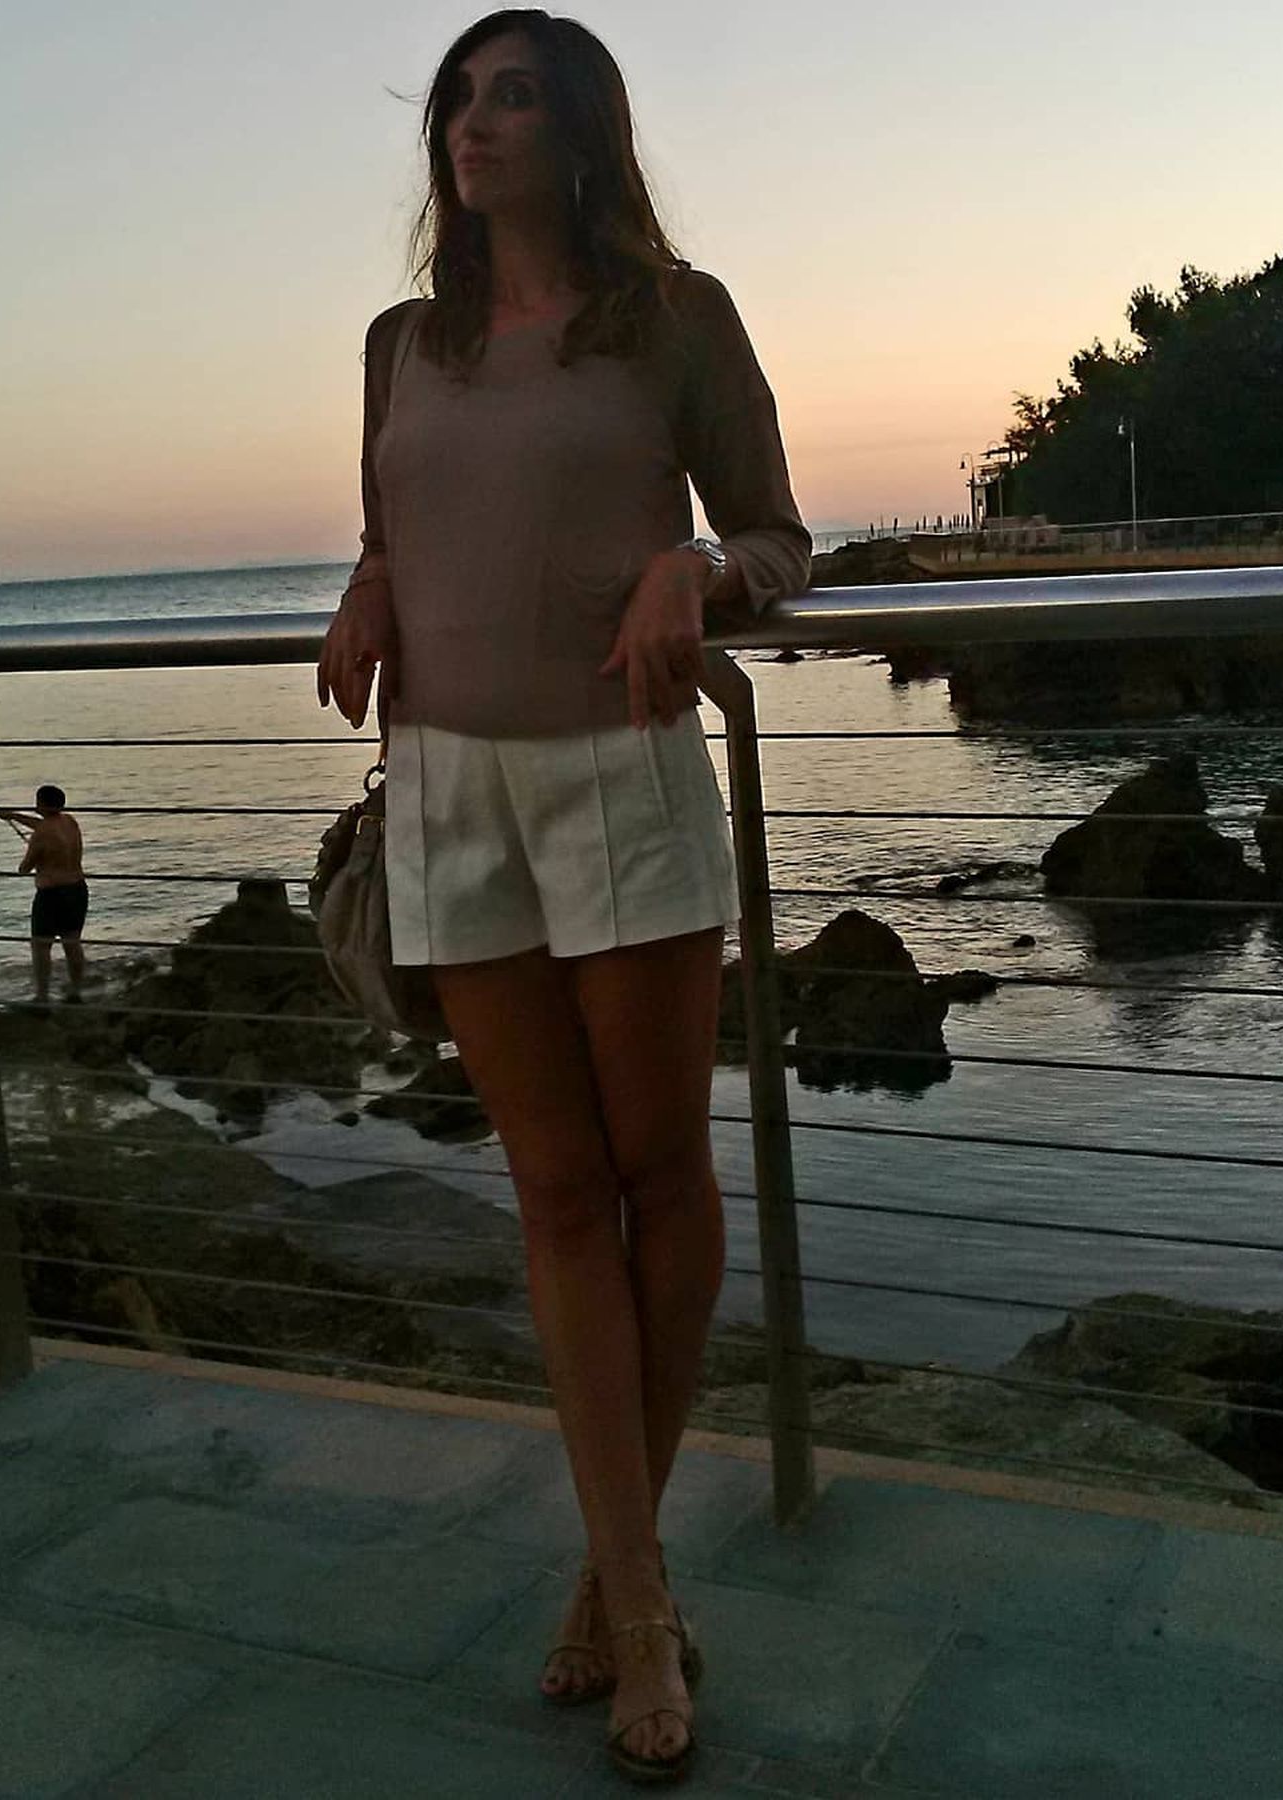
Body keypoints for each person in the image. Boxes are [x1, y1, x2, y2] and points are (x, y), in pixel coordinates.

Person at [317, 12, 811, 1784]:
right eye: (460, 97)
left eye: (514, 95)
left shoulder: (678, 317)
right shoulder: (401, 344)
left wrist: (698, 565)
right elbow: (398, 519)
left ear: (584, 129)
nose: (473, 122)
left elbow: (779, 536)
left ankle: (628, 1589)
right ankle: (633, 1572)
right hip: (452, 790)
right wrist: (370, 579)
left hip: (624, 776)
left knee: (654, 1175)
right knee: (549, 1194)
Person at [0, 786, 88, 1007]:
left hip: (51, 894)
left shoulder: (40, 835)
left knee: (41, 946)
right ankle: (76, 992)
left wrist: (31, 852)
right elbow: (44, 826)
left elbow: (25, 868)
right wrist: (14, 816)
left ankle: (42, 997)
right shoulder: (69, 822)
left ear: (42, 804)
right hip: (77, 889)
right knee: (72, 942)